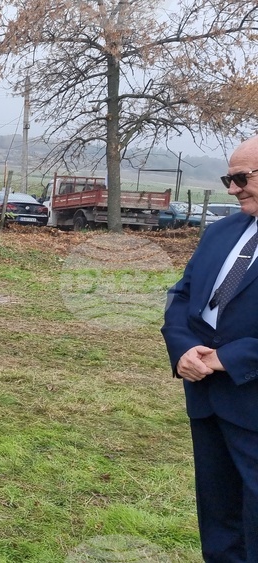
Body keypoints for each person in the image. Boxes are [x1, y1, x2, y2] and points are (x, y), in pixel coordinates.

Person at [161, 135, 258, 561]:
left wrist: (228, 358)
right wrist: (182, 348)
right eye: (227, 178)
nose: (232, 189)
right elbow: (182, 296)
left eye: (240, 177)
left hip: (251, 395)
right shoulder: (222, 231)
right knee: (219, 521)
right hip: (206, 398)